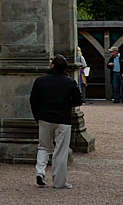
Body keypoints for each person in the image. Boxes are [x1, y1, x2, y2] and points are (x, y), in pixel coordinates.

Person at [30, 54, 84, 189]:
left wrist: (37, 116)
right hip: (63, 118)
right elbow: (78, 100)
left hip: (45, 117)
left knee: (43, 146)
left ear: (52, 65)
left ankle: (40, 172)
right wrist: (65, 104)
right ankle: (59, 182)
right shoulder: (70, 82)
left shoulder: (41, 80)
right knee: (61, 150)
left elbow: (33, 100)